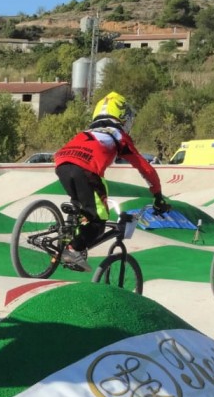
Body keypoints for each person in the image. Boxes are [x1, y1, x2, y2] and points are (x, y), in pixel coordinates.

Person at [52, 92, 169, 270]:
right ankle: (73, 250)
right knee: (99, 221)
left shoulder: (87, 131)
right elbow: (145, 168)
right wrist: (158, 195)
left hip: (61, 163)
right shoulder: (119, 137)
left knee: (82, 206)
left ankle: (66, 235)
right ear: (123, 117)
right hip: (87, 169)